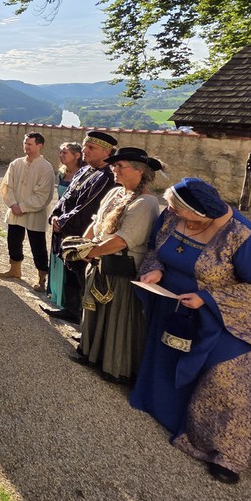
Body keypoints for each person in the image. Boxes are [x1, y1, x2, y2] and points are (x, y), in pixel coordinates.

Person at [129, 178, 251, 484]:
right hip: (174, 306)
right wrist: (155, 269)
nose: (171, 213)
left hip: (224, 317)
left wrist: (207, 299)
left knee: (224, 377)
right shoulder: (171, 215)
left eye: (179, 210)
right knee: (170, 358)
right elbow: (157, 248)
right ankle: (165, 410)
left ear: (202, 214)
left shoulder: (243, 237)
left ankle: (225, 452)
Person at [70, 147, 162, 383]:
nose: (114, 169)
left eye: (120, 166)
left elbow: (122, 240)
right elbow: (96, 222)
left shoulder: (146, 203)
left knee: (117, 317)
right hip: (100, 261)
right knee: (95, 311)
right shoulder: (114, 193)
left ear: (140, 171)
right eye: (114, 165)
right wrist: (84, 245)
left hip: (121, 270)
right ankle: (91, 353)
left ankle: (115, 366)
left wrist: (90, 252)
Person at [42, 130, 118, 324]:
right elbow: (66, 197)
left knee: (83, 277)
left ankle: (88, 323)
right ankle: (71, 310)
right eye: (85, 146)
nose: (85, 150)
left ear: (106, 152)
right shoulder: (84, 171)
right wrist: (55, 216)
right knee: (71, 272)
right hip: (67, 231)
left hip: (83, 234)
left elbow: (86, 207)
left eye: (91, 147)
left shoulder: (107, 176)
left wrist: (62, 222)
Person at [0, 132, 55, 287]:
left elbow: (44, 195)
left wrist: (22, 207)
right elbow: (6, 186)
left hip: (34, 213)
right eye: (25, 143)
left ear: (39, 145)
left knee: (38, 245)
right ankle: (15, 270)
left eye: (29, 144)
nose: (26, 146)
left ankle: (42, 277)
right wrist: (13, 204)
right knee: (13, 241)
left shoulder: (46, 168)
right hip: (15, 210)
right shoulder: (16, 164)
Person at [48, 142, 85, 306]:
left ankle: (68, 302)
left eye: (65, 153)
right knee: (56, 256)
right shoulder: (62, 174)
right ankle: (56, 294)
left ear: (77, 156)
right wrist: (55, 217)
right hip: (59, 220)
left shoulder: (83, 175)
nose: (61, 155)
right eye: (60, 152)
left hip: (72, 223)